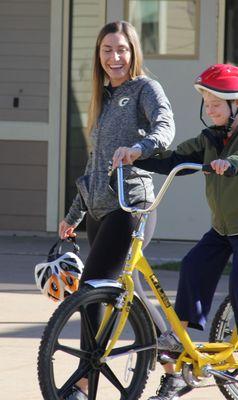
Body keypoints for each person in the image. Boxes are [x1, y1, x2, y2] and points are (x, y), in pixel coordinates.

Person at [132, 64, 238, 400]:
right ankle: (181, 338)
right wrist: (135, 157)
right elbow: (173, 159)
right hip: (225, 229)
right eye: (206, 102)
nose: (209, 109)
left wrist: (233, 163)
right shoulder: (211, 138)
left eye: (216, 103)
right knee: (193, 266)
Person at [58, 21, 175, 400]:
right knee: (131, 292)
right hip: (98, 210)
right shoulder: (103, 97)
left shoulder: (145, 88)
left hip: (132, 206)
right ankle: (173, 368)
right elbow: (95, 165)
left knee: (92, 284)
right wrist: (74, 215)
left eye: (121, 49)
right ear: (99, 55)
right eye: (107, 50)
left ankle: (84, 379)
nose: (114, 57)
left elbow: (166, 126)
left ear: (133, 51)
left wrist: (141, 148)